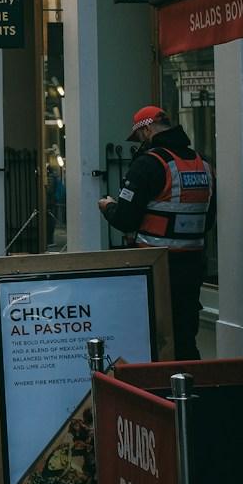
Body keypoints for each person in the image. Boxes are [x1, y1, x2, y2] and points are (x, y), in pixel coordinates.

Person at [98, 106, 216, 360]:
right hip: (192, 266)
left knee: (152, 336)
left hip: (154, 266)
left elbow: (125, 219)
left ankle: (160, 394)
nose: (140, 143)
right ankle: (189, 392)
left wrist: (108, 208)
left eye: (139, 136)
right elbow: (208, 220)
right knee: (185, 337)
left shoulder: (149, 164)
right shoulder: (201, 164)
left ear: (147, 129)